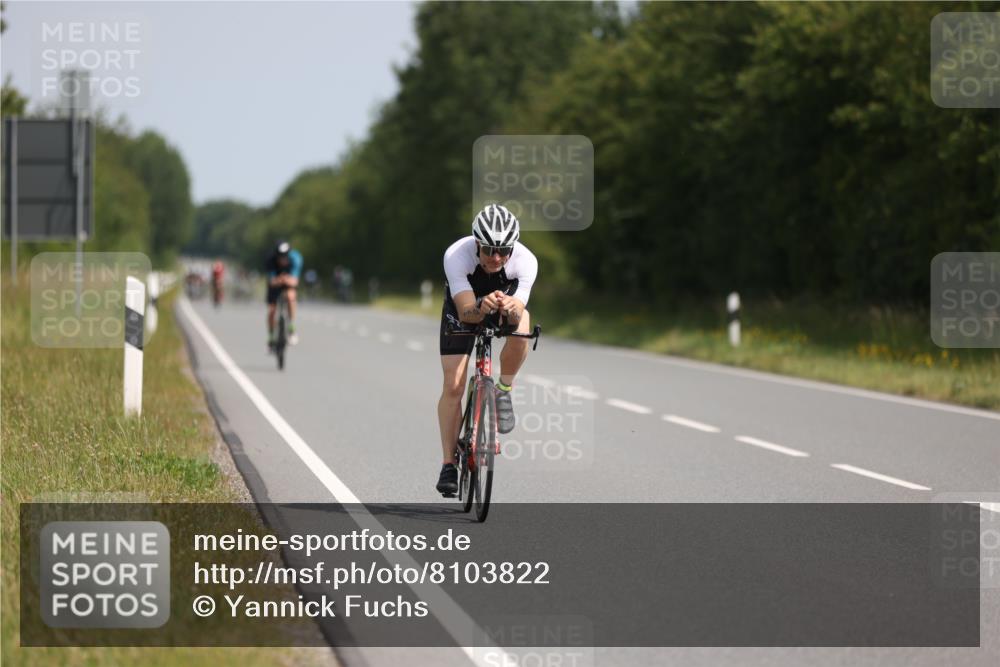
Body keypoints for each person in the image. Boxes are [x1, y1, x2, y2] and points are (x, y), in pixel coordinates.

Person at [435, 204, 538, 495]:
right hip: (464, 308)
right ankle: (448, 464)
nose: (496, 257)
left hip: (501, 306)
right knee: (453, 385)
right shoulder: (457, 255)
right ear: (477, 244)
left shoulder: (526, 261)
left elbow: (518, 311)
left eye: (503, 251)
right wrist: (481, 307)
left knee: (523, 324)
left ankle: (503, 390)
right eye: (489, 250)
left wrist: (511, 309)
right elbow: (466, 311)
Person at [265, 241, 303, 349]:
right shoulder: (270, 260)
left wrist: (286, 280)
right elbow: (271, 281)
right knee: (272, 310)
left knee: (291, 297)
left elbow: (295, 281)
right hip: (275, 283)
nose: (283, 259)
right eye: (280, 257)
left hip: (288, 282)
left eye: (285, 256)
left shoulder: (296, 259)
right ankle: (271, 337)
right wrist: (279, 280)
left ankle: (291, 328)